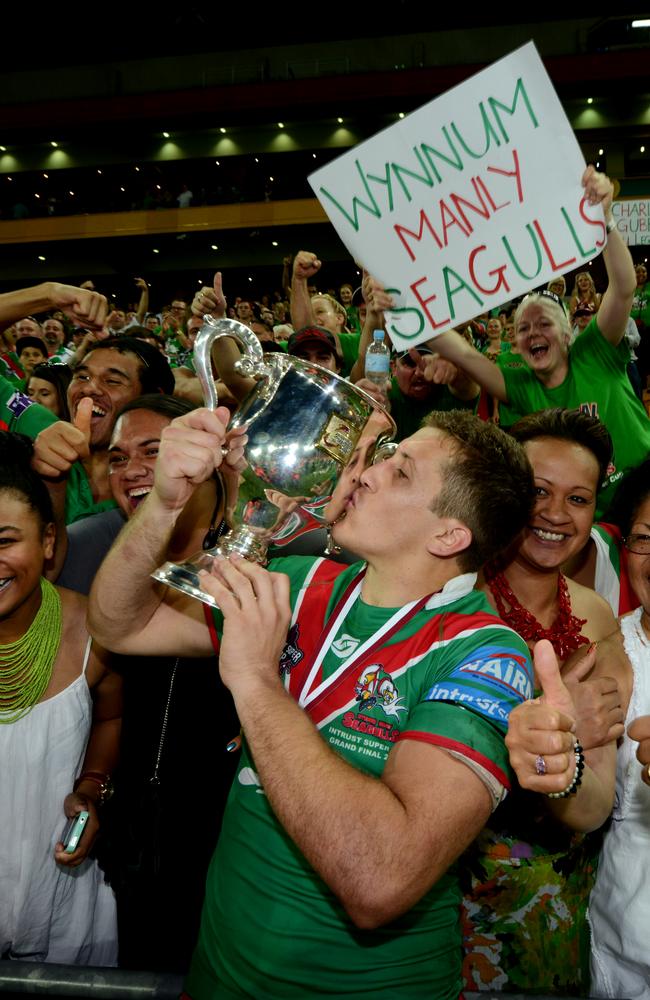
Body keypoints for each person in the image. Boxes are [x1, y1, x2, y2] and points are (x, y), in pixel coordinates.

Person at [88, 404, 538, 999]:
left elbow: (379, 881)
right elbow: (122, 624)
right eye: (383, 458)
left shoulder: (484, 657)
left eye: (400, 472)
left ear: (449, 535)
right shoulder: (299, 582)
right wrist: (164, 506)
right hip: (219, 974)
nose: (368, 473)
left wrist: (254, 680)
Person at [461, 408, 623, 994]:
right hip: (449, 890)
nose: (556, 514)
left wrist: (563, 765)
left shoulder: (595, 615)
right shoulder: (451, 595)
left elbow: (596, 800)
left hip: (558, 896)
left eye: (578, 498)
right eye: (538, 491)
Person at [425, 167, 647, 515]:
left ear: (567, 334)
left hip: (643, 492)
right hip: (590, 517)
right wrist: (406, 308)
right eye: (523, 329)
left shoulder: (594, 351)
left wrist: (605, 219)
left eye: (543, 323)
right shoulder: (520, 385)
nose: (533, 333)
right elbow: (464, 353)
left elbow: (623, 288)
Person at [0, 432, 120, 965]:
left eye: (5, 541)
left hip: (58, 888)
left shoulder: (93, 629)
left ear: (49, 541)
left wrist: (90, 790)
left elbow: (111, 717)